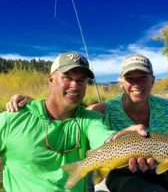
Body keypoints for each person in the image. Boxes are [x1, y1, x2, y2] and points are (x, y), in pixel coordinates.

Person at [7, 54, 168, 192]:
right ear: (121, 83)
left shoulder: (165, 108)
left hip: (166, 167)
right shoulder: (103, 109)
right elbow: (73, 112)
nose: (136, 83)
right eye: (130, 78)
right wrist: (32, 105)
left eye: (143, 78)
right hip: (123, 172)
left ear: (152, 81)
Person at [1, 52, 147, 192]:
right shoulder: (12, 118)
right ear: (51, 80)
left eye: (81, 80)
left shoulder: (90, 119)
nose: (75, 85)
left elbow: (104, 138)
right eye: (67, 77)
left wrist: (122, 139)